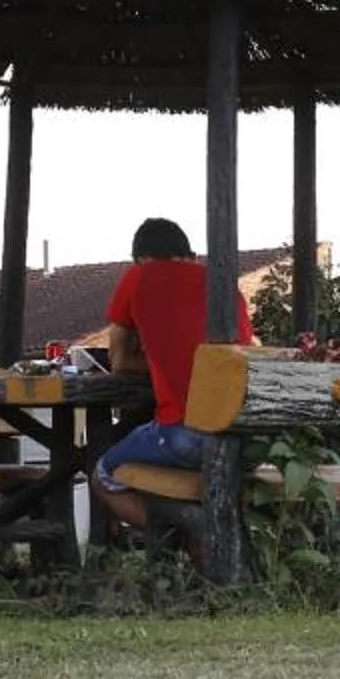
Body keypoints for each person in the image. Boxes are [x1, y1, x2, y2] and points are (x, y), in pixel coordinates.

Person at [93, 217, 251, 545]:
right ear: (188, 254)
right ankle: (200, 542)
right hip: (248, 437)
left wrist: (155, 360)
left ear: (142, 259)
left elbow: (119, 361)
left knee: (104, 476)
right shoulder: (224, 284)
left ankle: (188, 539)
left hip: (186, 433)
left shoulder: (137, 277)